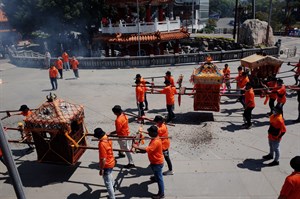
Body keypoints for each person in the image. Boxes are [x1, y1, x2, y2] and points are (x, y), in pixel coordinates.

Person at [133, 125, 165, 199]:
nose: (149, 133)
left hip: (157, 163)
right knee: (156, 173)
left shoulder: (155, 142)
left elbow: (147, 149)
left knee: (160, 178)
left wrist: (137, 147)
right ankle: (155, 178)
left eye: (150, 132)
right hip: (155, 161)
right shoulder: (155, 137)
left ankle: (161, 194)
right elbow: (147, 150)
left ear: (153, 133)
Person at [94, 128, 115, 199]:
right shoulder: (107, 138)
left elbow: (103, 159)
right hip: (112, 161)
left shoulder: (102, 144)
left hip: (107, 164)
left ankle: (112, 197)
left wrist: (101, 169)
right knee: (110, 176)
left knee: (108, 184)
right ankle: (113, 188)